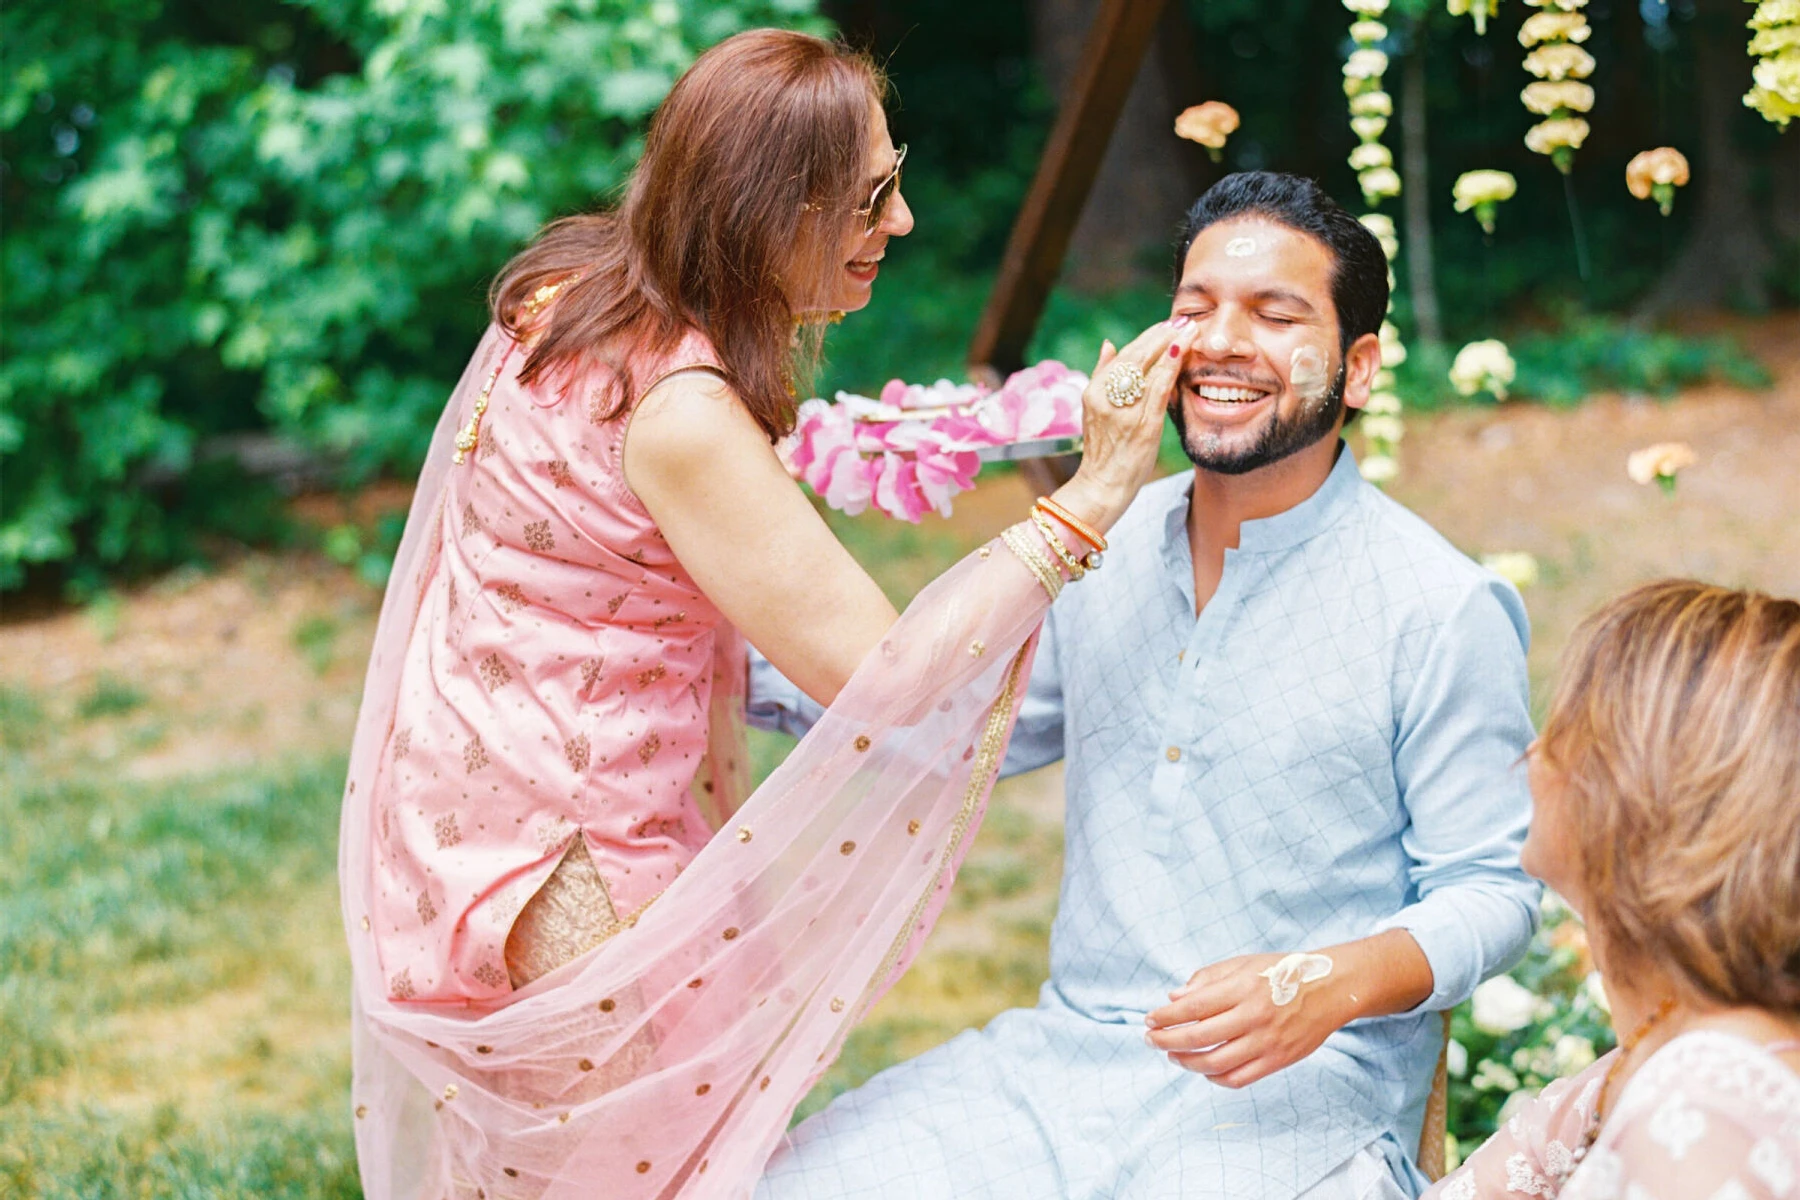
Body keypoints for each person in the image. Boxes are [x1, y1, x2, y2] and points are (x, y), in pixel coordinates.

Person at [337, 28, 1193, 1200]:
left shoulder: (566, 294)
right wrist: (1089, 500)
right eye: (870, 199)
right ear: (764, 211)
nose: (902, 223)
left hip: (462, 810)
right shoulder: (682, 415)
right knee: (650, 1165)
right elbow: (887, 673)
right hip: (572, 861)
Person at [751, 171, 1541, 1199]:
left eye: (1274, 314)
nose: (1220, 341)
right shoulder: (1098, 550)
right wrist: (699, 662)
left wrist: (1321, 984)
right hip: (1058, 1067)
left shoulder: (1438, 604)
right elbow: (939, 718)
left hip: (1295, 1105)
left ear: (1357, 370)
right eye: (1194, 308)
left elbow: (1495, 890)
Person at [1425, 580, 1800, 1200]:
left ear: (1637, 789)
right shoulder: (1650, 1060)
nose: (1533, 755)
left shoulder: (1708, 1105)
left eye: (1566, 729)